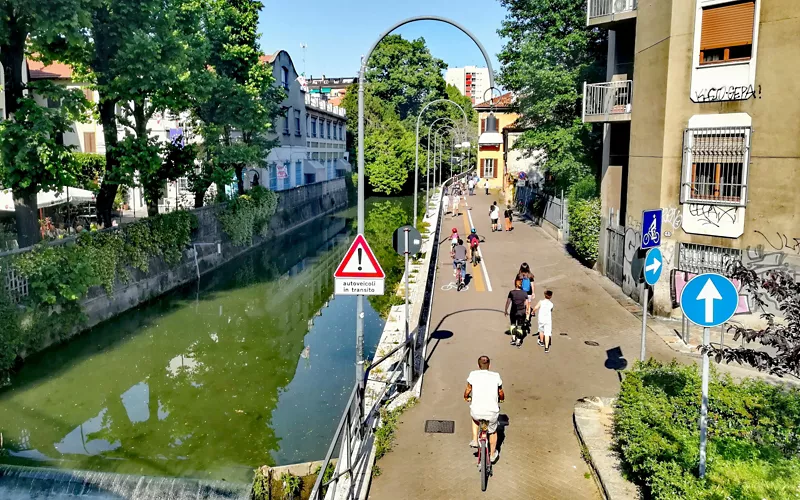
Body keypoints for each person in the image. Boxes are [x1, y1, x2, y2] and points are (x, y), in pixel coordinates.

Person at [464, 355, 504, 464]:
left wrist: (466, 396)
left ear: (478, 366)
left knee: (475, 419)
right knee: (493, 432)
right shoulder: (496, 376)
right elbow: (500, 392)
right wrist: (501, 399)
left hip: (477, 411)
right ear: (489, 365)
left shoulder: (473, 374)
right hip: (491, 412)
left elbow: (468, 389)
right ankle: (492, 455)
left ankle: (475, 440)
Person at [505, 278, 531, 347]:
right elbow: (526, 303)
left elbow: (508, 302)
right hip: (521, 312)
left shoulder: (511, 292)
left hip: (513, 311)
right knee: (519, 326)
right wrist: (527, 311)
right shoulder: (524, 293)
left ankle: (513, 339)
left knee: (513, 325)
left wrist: (505, 310)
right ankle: (518, 340)